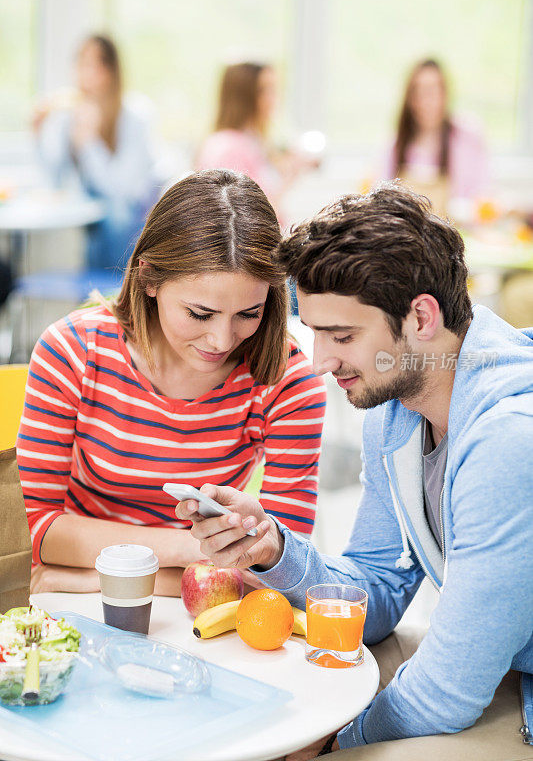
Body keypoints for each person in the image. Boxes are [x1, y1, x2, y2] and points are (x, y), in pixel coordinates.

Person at [175, 184, 533, 759]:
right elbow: (379, 590)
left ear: (421, 316)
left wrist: (332, 741)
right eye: (314, 331)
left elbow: (447, 693)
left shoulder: (509, 440)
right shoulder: (399, 407)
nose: (319, 362)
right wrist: (270, 548)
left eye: (342, 337)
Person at [16, 169, 326, 597]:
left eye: (248, 314)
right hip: (105, 604)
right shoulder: (72, 352)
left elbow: (279, 567)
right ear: (149, 279)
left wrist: (94, 580)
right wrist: (194, 549)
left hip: (118, 593)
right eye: (200, 314)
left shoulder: (288, 380)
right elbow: (35, 529)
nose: (222, 340)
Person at [34, 34, 156, 270]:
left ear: (112, 71)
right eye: (81, 63)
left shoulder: (135, 115)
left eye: (95, 65)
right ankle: (92, 297)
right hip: (89, 209)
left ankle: (116, 292)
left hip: (129, 212)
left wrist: (90, 145)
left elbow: (120, 190)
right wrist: (39, 135)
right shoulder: (70, 115)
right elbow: (54, 178)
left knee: (114, 215)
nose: (86, 74)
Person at [196, 61, 312, 229]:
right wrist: (289, 176)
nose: (274, 99)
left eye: (275, 89)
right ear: (243, 96)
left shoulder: (252, 142)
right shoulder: (228, 147)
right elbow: (242, 216)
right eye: (265, 90)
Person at [381, 59, 489, 214]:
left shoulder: (468, 138)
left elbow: (484, 199)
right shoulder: (395, 146)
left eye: (433, 90)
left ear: (445, 93)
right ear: (409, 98)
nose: (426, 101)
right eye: (418, 92)